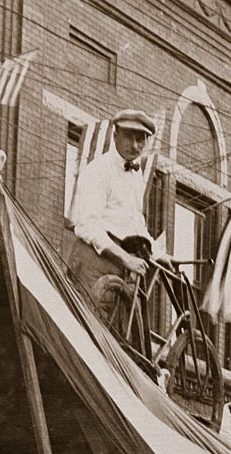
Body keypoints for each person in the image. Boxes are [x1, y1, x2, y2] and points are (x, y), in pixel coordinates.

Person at [66, 110, 161, 331]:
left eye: (141, 139)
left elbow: (135, 221)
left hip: (120, 269)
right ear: (115, 134)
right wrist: (125, 258)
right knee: (87, 332)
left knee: (116, 340)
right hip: (94, 261)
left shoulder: (135, 174)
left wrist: (157, 252)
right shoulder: (98, 171)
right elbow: (88, 225)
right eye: (130, 136)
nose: (136, 145)